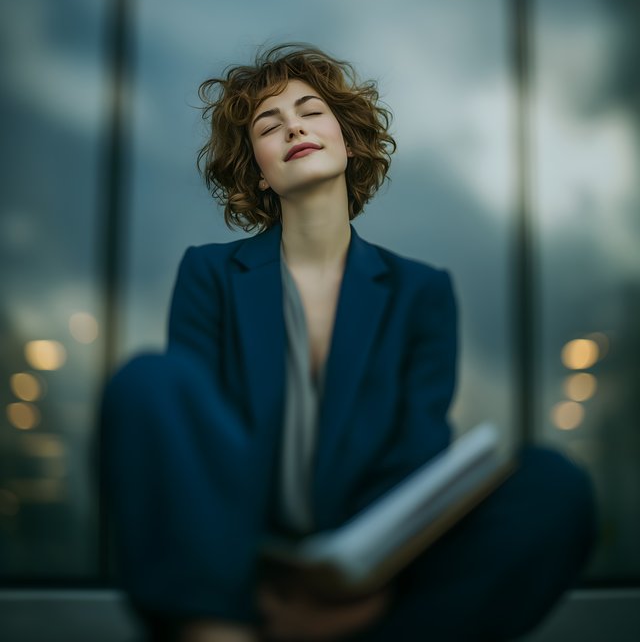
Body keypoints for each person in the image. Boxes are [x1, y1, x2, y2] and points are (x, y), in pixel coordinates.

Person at [100, 43, 597, 642]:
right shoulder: (210, 274)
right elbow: (196, 449)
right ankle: (219, 630)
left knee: (551, 485)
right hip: (237, 563)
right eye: (269, 124)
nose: (294, 128)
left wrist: (365, 585)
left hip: (370, 574)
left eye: (310, 111)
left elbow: (415, 453)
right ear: (258, 169)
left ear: (348, 140)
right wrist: (260, 579)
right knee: (148, 383)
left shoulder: (421, 291)